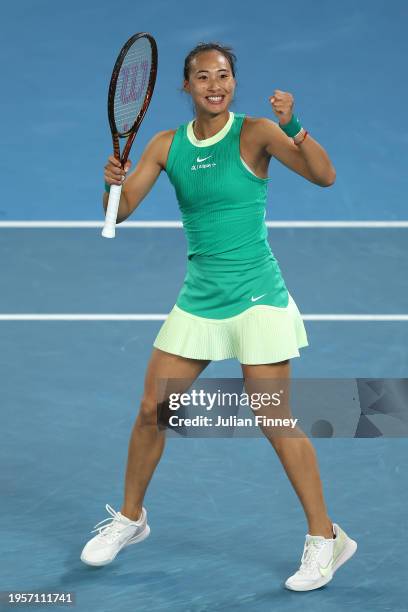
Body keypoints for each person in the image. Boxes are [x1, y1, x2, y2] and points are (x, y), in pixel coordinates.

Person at [80, 42, 357, 591]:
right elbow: (123, 208)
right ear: (186, 86)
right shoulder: (165, 145)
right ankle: (131, 520)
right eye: (203, 76)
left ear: (234, 82)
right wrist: (111, 181)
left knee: (275, 420)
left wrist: (295, 126)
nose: (215, 84)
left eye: (224, 75)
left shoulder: (255, 133)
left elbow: (324, 176)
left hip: (256, 296)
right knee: (151, 409)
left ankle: (327, 540)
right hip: (200, 299)